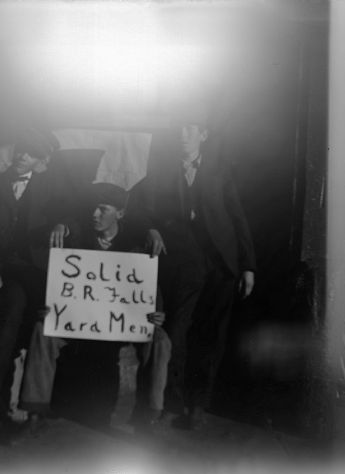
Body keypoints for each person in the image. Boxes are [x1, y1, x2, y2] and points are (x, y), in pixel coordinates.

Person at [1, 183, 171, 442]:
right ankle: (35, 413)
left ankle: (149, 416)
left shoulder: (136, 246)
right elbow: (61, 286)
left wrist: (156, 314)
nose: (95, 214)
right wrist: (51, 306)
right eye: (93, 208)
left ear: (120, 214)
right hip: (79, 324)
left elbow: (147, 290)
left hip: (119, 327)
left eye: (103, 209)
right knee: (42, 329)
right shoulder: (77, 239)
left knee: (161, 341)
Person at [129, 107, 256, 430]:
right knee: (178, 333)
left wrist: (247, 267)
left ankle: (197, 406)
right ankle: (171, 402)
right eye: (180, 129)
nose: (183, 135)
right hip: (183, 267)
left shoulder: (220, 171)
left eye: (191, 129)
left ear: (203, 135)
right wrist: (151, 229)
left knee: (211, 338)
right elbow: (136, 207)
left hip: (221, 267)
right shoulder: (161, 172)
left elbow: (238, 219)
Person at [0, 129, 68, 436]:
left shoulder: (52, 191)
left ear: (42, 161)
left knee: (15, 309)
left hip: (25, 274)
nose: (22, 157)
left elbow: (72, 214)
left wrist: (63, 224)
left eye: (31, 154)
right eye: (20, 150)